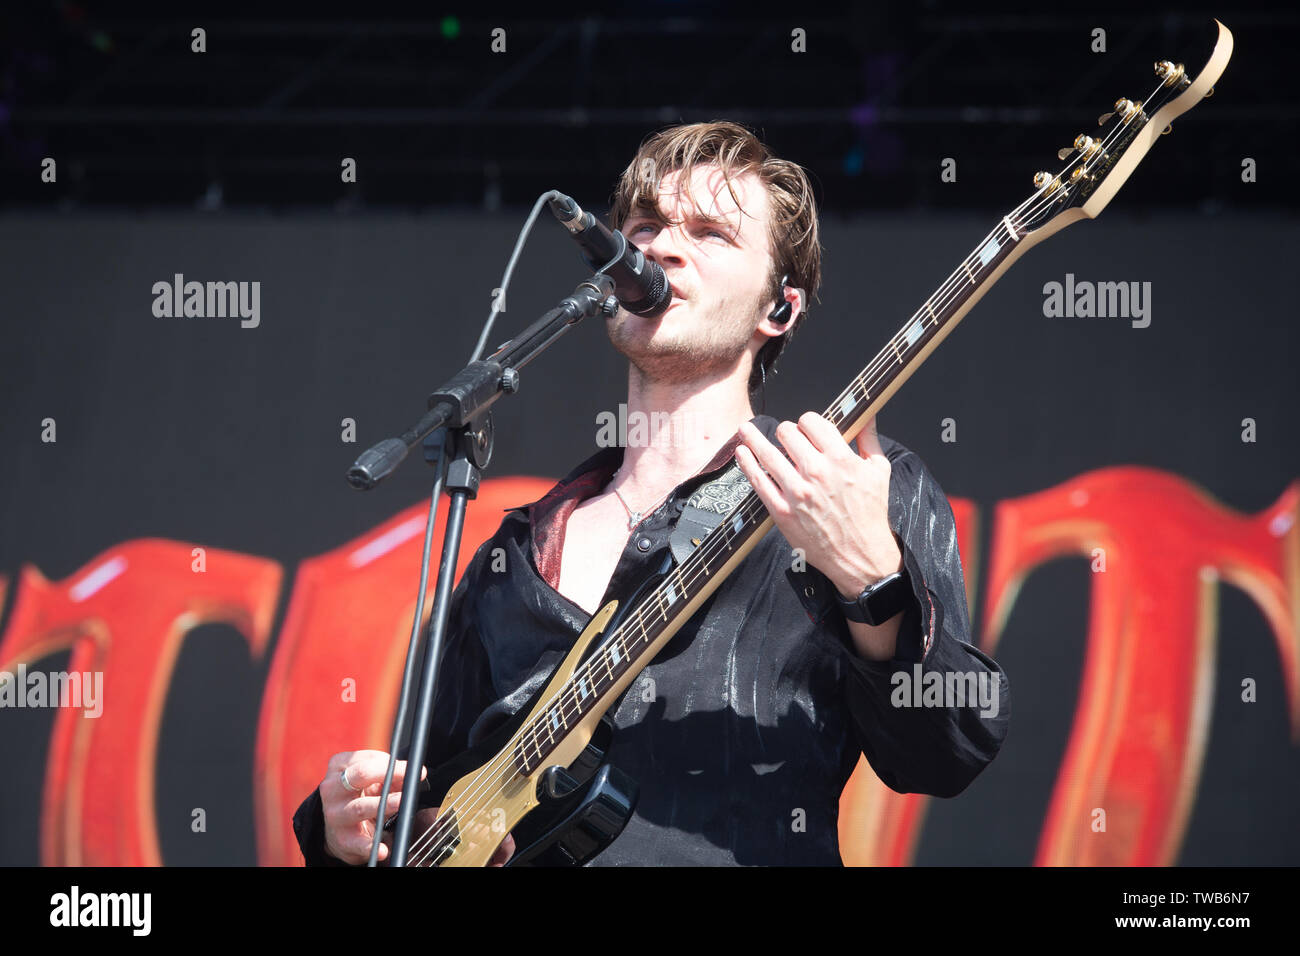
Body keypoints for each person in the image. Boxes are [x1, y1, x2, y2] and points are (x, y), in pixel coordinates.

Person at [292, 120, 1010, 867]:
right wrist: (344, 825)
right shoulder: (513, 556)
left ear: (780, 309)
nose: (661, 247)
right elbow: (427, 808)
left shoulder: (841, 484)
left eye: (710, 233)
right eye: (645, 227)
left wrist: (874, 582)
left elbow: (946, 753)